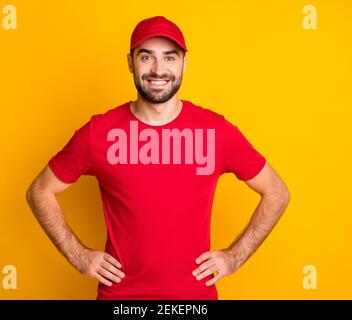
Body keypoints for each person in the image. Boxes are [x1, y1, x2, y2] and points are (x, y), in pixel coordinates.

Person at [26, 16, 290, 300]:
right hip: (121, 301)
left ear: (184, 63)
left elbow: (277, 192)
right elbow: (39, 192)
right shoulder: (98, 133)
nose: (158, 69)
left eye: (169, 58)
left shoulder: (216, 132)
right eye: (146, 57)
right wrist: (78, 255)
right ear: (130, 63)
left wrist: (234, 257)